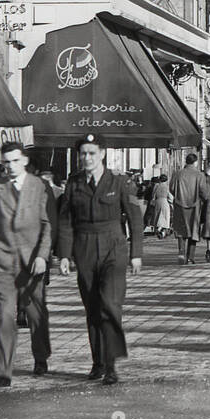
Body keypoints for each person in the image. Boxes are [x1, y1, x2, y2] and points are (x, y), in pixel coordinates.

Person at [53, 135, 141, 384]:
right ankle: (98, 362)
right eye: (83, 154)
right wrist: (64, 255)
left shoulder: (119, 181)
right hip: (85, 248)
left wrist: (136, 254)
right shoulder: (74, 183)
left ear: (102, 153)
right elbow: (66, 221)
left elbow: (135, 218)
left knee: (110, 305)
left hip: (114, 246)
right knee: (92, 307)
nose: (87, 158)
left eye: (92, 153)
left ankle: (111, 365)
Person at [0, 142, 52, 389]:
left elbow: (46, 224)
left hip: (32, 262)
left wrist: (43, 256)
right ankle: (2, 372)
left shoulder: (38, 186)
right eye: (5, 162)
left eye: (14, 161)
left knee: (36, 313)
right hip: (3, 262)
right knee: (5, 316)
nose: (10, 167)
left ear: (23, 161)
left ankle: (41, 356)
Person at [171, 153, 205, 265]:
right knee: (193, 231)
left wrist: (178, 196)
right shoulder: (199, 175)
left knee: (181, 231)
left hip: (180, 205)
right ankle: (190, 257)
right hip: (194, 206)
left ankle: (181, 253)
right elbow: (204, 191)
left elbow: (171, 188)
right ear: (195, 162)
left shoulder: (177, 174)